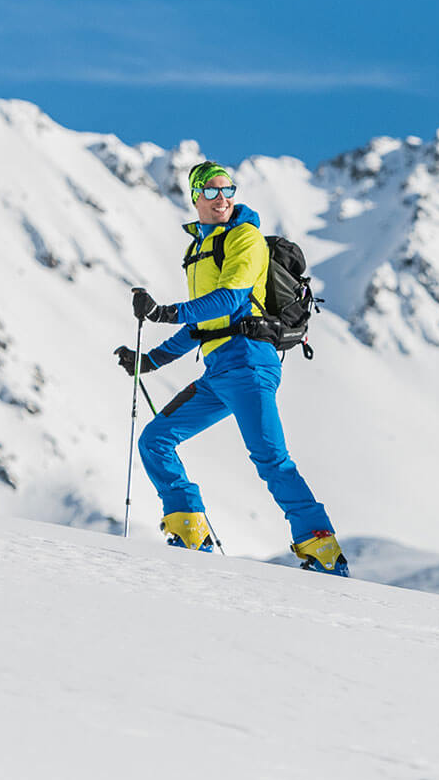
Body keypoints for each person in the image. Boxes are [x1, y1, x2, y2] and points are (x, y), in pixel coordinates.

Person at [116, 160, 347, 576]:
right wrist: (149, 362)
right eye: (211, 191)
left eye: (227, 190)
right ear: (195, 197)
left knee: (271, 459)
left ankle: (323, 550)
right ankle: (190, 530)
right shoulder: (197, 250)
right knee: (155, 440)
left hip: (249, 363)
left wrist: (163, 312)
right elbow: (204, 325)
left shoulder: (245, 237)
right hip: (218, 371)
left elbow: (230, 299)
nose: (221, 198)